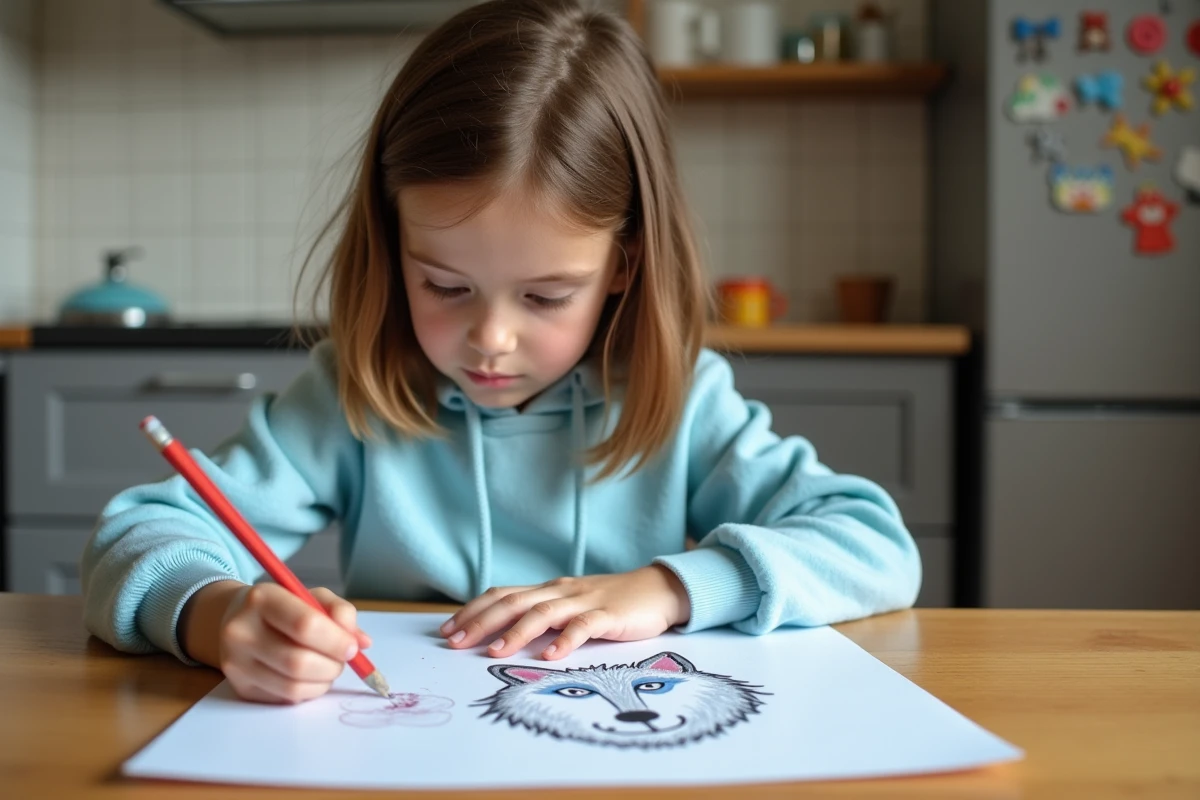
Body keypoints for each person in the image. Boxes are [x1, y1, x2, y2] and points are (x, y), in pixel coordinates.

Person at [81, 0, 920, 705]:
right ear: (393, 245)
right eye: (444, 285)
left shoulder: (681, 401)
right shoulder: (354, 394)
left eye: (546, 297)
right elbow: (140, 535)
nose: (490, 338)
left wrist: (669, 589)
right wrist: (216, 615)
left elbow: (873, 546)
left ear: (623, 265)